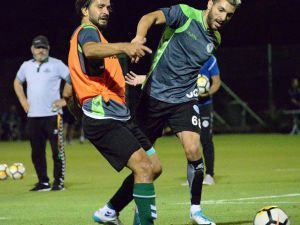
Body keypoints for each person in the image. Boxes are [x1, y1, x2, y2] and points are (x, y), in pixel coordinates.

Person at [126, 1, 240, 224]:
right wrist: (139, 38)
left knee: (193, 148)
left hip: (183, 100)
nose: (223, 18)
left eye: (229, 15)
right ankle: (113, 208)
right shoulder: (184, 14)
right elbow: (148, 17)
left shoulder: (214, 40)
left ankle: (195, 210)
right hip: (153, 99)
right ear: (210, 4)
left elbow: (182, 68)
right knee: (143, 163)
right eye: (221, 10)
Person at [68, 0, 158, 224]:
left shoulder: (98, 38)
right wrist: (125, 47)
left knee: (153, 167)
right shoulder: (88, 32)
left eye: (108, 7)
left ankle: (109, 211)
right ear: (84, 10)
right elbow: (89, 51)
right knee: (144, 167)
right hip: (104, 117)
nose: (106, 11)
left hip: (120, 116)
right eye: (100, 6)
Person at [125, 55, 221, 187]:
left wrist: (206, 93)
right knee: (189, 142)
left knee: (206, 139)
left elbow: (216, 82)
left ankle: (209, 174)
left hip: (204, 105)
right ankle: (192, 176)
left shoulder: (210, 59)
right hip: (184, 105)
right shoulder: (184, 56)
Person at [14, 35, 72, 191]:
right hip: (33, 116)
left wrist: (65, 100)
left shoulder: (57, 64)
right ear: (32, 49)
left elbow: (72, 79)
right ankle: (43, 182)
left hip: (54, 115)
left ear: (48, 49)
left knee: (57, 151)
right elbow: (17, 82)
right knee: (37, 152)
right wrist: (24, 102)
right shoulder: (26, 66)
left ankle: (58, 181)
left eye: (44, 47)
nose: (41, 50)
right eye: (38, 47)